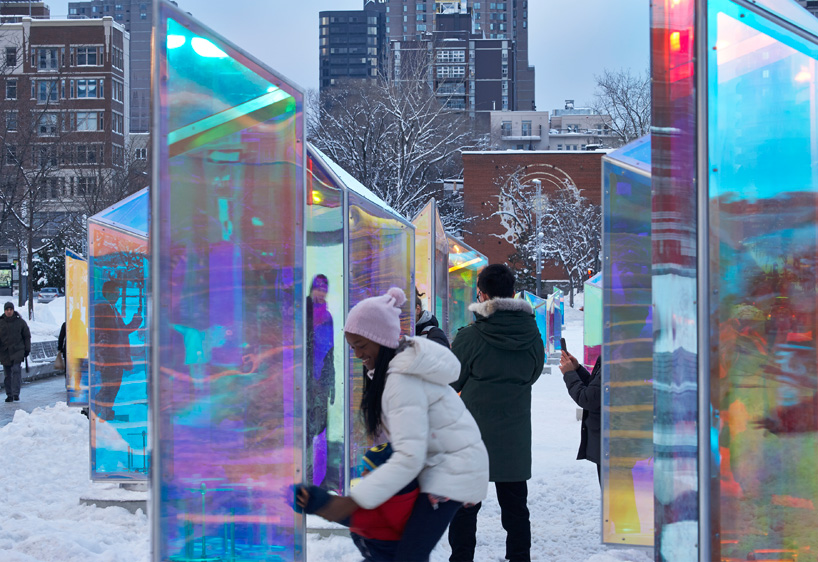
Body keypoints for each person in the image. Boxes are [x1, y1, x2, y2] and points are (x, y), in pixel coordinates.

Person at [309, 287, 489, 561]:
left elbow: (409, 457)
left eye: (361, 345)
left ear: (380, 339)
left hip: (452, 471)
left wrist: (353, 501)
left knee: (408, 555)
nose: (357, 354)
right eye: (352, 346)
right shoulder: (396, 371)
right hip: (441, 466)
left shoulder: (400, 379)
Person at [447, 264, 544, 562]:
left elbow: (452, 381)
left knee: (464, 509)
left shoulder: (470, 338)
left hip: (471, 440)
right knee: (516, 510)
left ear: (482, 294)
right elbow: (533, 373)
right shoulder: (532, 336)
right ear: (513, 293)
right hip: (514, 438)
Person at [295, 442, 420, 561]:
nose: (362, 473)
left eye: (368, 470)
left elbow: (349, 514)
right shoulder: (398, 495)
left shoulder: (389, 504)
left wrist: (316, 501)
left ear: (384, 476)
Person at [93, 280, 143, 420]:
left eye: (119, 293)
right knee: (108, 387)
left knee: (112, 387)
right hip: (110, 357)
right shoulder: (103, 309)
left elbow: (119, 331)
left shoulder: (111, 308)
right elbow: (116, 333)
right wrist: (134, 324)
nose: (118, 296)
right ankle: (96, 413)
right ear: (108, 292)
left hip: (114, 357)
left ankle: (105, 412)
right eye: (116, 293)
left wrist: (134, 323)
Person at [305, 274, 336, 487]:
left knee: (321, 429)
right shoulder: (303, 313)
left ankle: (319, 476)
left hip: (321, 382)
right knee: (305, 428)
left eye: (324, 288)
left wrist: (331, 381)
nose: (321, 292)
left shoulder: (328, 317)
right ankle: (305, 475)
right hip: (304, 381)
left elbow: (331, 350)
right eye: (318, 287)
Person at [560, 352, 601, 483]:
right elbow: (595, 389)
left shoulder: (618, 360)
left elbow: (588, 399)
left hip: (614, 443)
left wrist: (570, 374)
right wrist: (577, 370)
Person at [0, 302, 31, 402]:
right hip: (5, 352)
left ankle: (15, 393)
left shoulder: (20, 322)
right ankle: (9, 395)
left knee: (16, 370)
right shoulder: (1, 322)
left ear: (13, 310)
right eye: (7, 310)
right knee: (8, 374)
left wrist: (27, 349)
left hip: (18, 350)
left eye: (10, 309)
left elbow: (26, 336)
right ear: (4, 311)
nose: (9, 312)